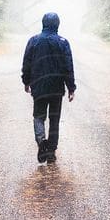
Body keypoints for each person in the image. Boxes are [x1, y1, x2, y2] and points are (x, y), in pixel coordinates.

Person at [21, 11, 76, 164]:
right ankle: (51, 151)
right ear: (57, 24)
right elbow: (68, 67)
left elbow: (27, 63)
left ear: (43, 23)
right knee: (54, 119)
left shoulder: (33, 41)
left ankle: (41, 142)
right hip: (56, 88)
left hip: (38, 87)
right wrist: (71, 87)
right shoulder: (63, 42)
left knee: (38, 116)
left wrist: (26, 81)